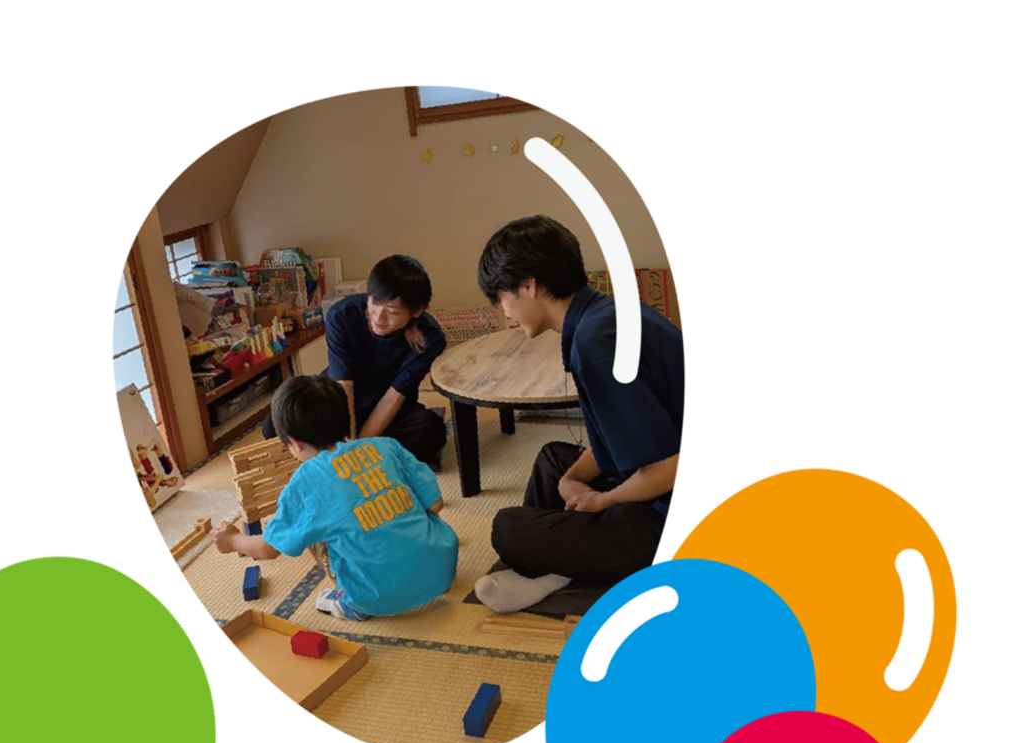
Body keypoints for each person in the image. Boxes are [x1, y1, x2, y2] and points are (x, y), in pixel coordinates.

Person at [472, 215, 684, 612]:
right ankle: (552, 566)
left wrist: (604, 501)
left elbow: (670, 467)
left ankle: (553, 569)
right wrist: (572, 480)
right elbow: (612, 437)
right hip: (652, 483)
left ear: (530, 286)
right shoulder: (603, 314)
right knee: (555, 462)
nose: (505, 311)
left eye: (502, 297)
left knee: (507, 529)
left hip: (663, 518)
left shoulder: (595, 344)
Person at [217, 374, 457, 620]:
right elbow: (435, 504)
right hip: (441, 571)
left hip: (376, 598)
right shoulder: (386, 446)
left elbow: (268, 549)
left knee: (311, 527)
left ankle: (352, 606)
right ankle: (420, 577)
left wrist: (233, 540)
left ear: (294, 443)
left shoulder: (306, 481)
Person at [258, 254, 449, 468]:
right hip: (336, 403)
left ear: (417, 311)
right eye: (374, 303)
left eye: (392, 311)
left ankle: (334, 454)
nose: (379, 317)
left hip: (388, 410)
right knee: (274, 425)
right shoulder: (342, 315)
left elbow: (392, 398)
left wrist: (355, 451)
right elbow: (343, 387)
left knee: (431, 430)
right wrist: (348, 444)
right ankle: (370, 455)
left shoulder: (430, 338)